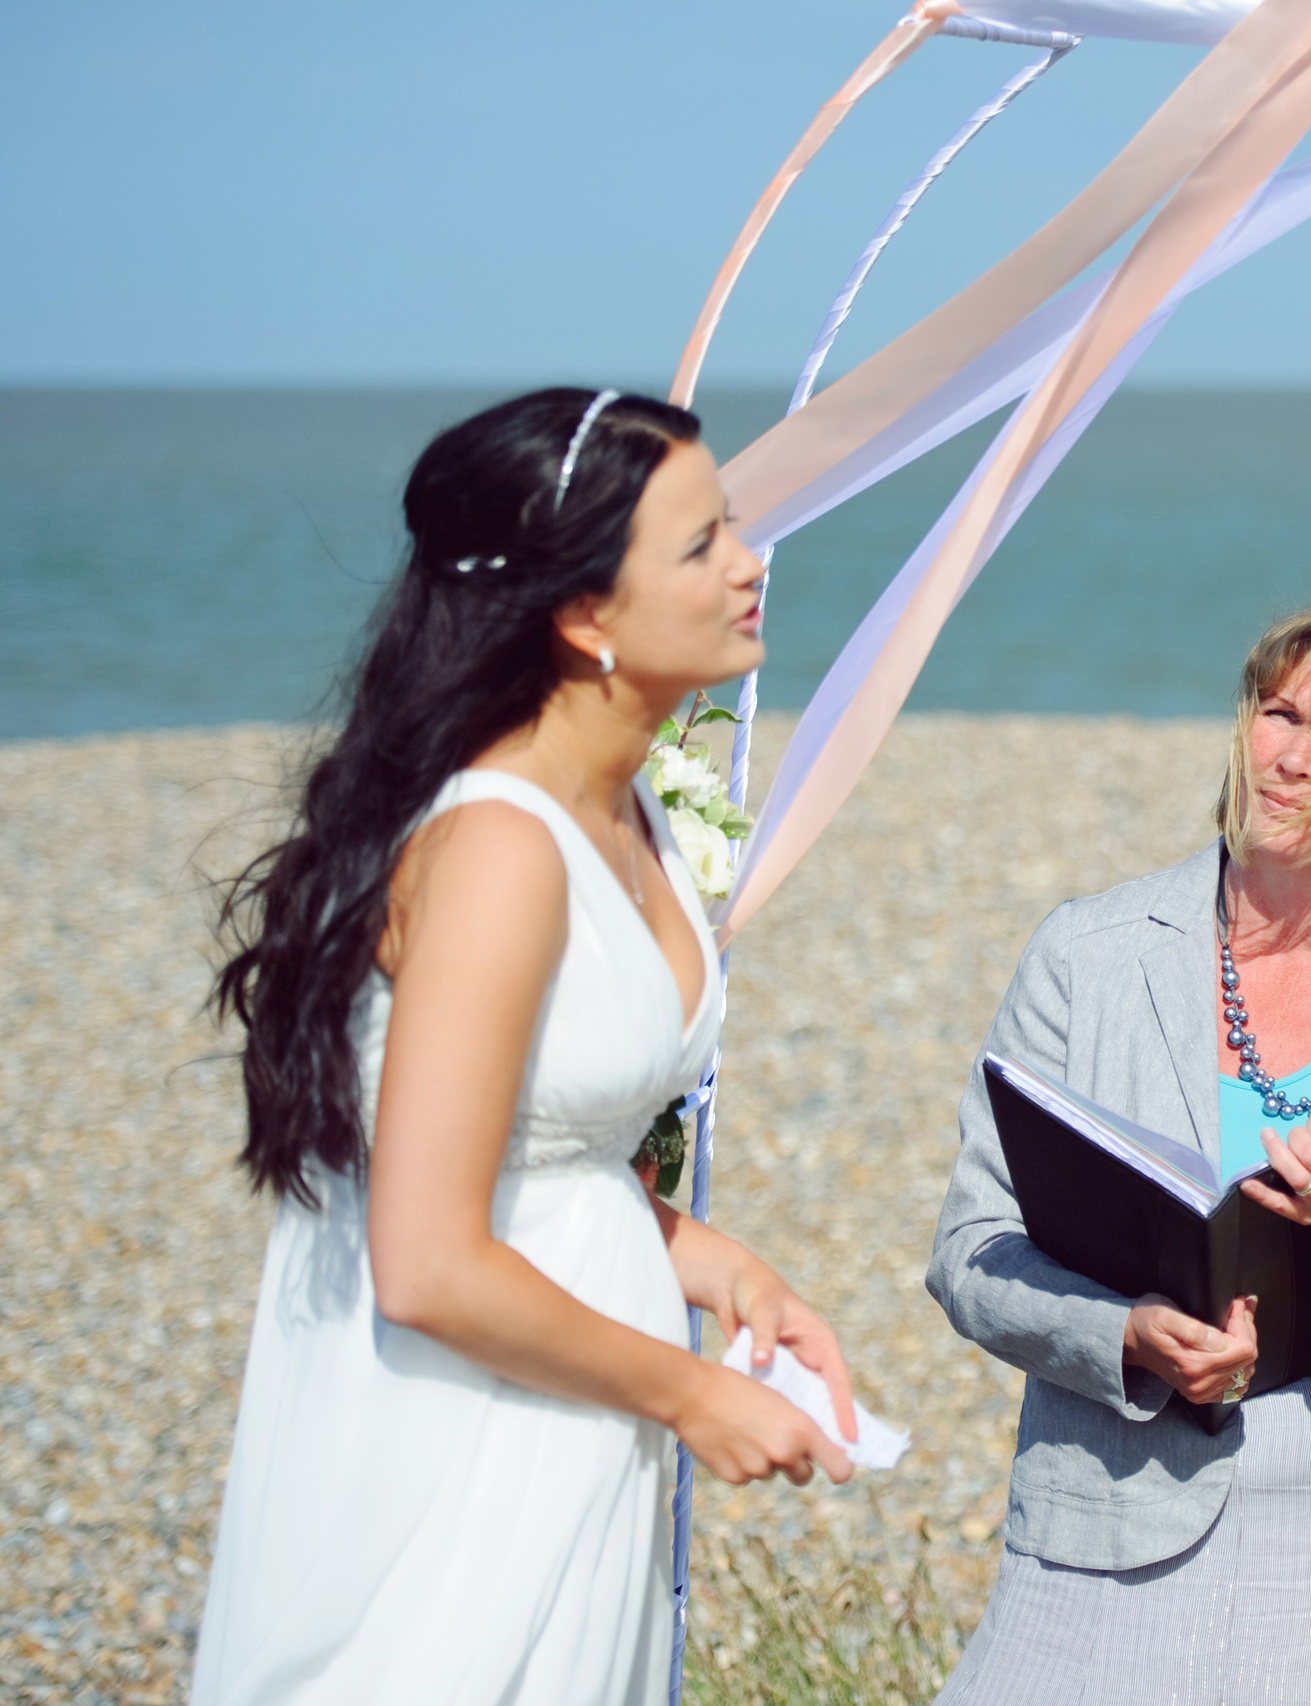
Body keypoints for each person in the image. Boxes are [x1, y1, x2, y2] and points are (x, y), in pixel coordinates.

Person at [194, 389, 862, 1706]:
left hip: (572, 1407)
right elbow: (428, 1260)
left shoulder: (631, 816)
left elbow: (536, 1149)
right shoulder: (499, 846)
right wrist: (688, 1393)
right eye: (697, 544)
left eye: (731, 524)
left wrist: (720, 1264)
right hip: (465, 1433)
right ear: (582, 614)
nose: (747, 562)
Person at [925, 594, 1311, 1705]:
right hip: (1114, 1502)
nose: (1294, 758)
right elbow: (971, 1252)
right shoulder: (1089, 951)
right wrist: (1124, 1335)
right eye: (1280, 711)